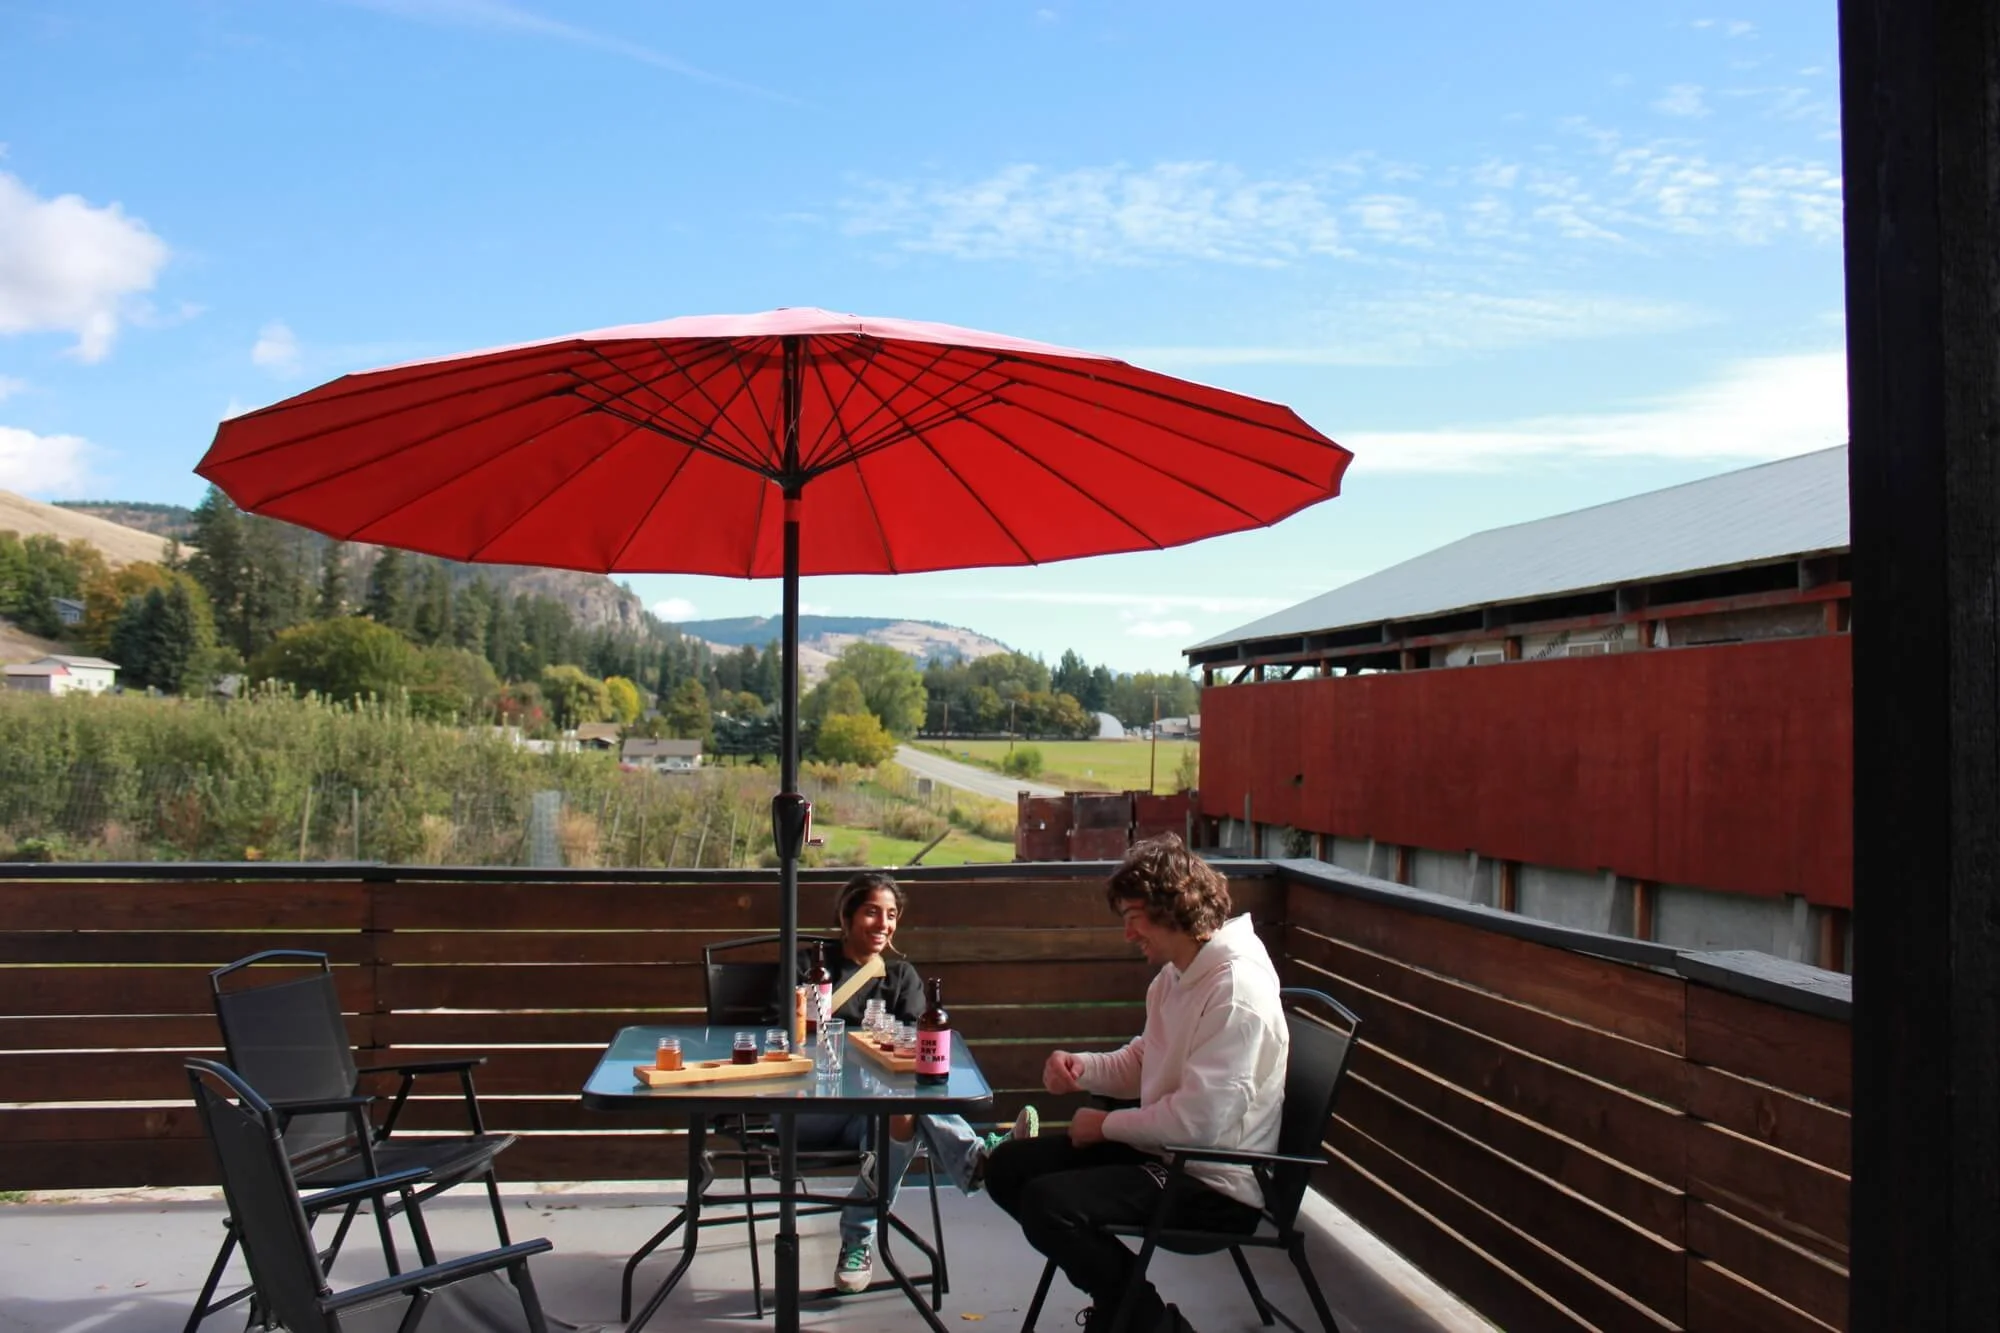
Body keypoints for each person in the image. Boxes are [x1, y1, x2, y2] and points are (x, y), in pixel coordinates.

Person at [984, 835, 1288, 1333]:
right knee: (1008, 1168)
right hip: (1169, 1156)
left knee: (1050, 1205)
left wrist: (1104, 1126)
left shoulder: (1235, 990)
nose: (1128, 935)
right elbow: (1146, 1059)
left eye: (1133, 918)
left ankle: (1137, 1319)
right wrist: (1083, 1067)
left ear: (1174, 909)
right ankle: (1134, 1313)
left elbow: (1199, 1122)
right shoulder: (1179, 975)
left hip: (1213, 1187)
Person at [790, 871, 1039, 1294]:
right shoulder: (809, 965)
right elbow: (777, 1028)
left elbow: (914, 1052)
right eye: (872, 912)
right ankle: (975, 1158)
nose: (883, 924)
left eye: (891, 915)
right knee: (906, 1102)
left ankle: (857, 1238)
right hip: (808, 1105)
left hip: (875, 1108)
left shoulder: (900, 976)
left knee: (906, 1104)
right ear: (846, 916)